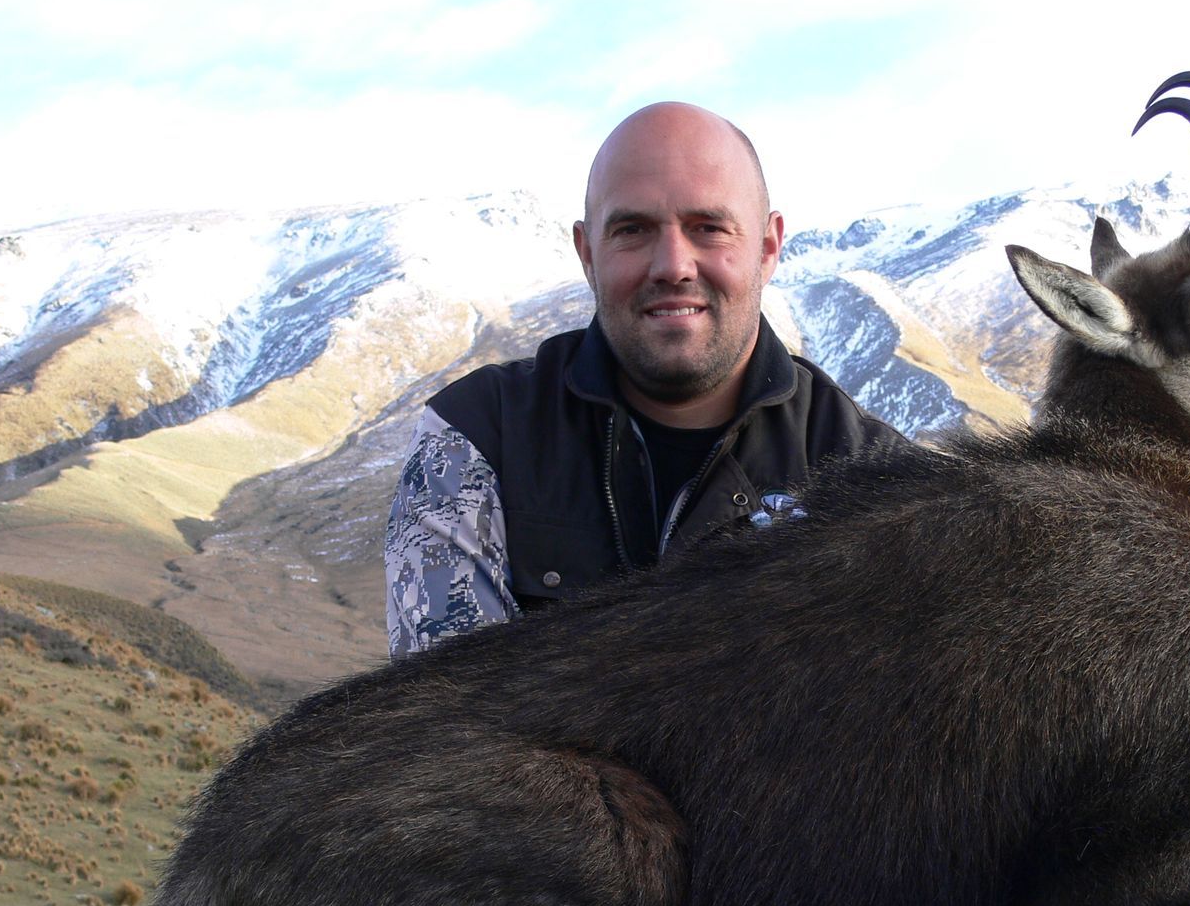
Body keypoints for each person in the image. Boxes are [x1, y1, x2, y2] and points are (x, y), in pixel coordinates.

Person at [384, 102, 906, 657]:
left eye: (709, 228)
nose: (673, 265)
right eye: (633, 230)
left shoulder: (882, 481)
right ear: (588, 253)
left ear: (768, 246)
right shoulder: (476, 436)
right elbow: (448, 717)